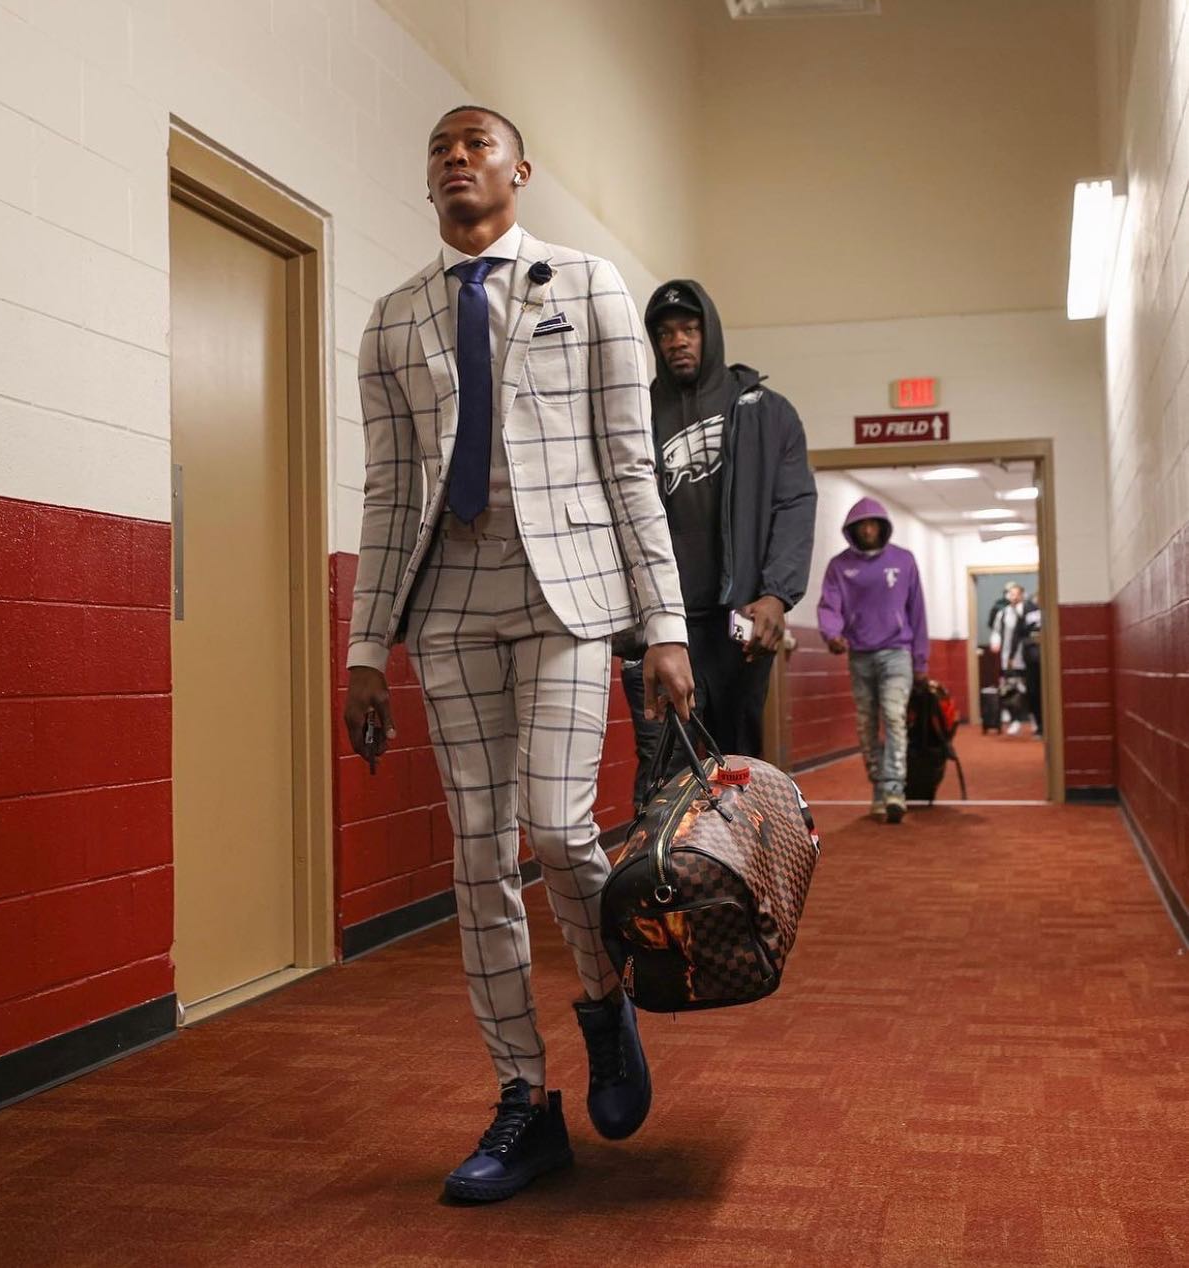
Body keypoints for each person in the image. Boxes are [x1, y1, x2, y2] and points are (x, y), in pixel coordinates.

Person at [343, 105, 695, 1203]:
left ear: (518, 170)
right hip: (445, 604)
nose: (455, 156)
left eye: (476, 143)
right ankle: (520, 1100)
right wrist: (364, 646)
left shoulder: (584, 284)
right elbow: (390, 491)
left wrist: (666, 624)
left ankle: (602, 1000)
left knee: (554, 829)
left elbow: (628, 465)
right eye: (438, 146)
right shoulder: (392, 320)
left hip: (567, 595)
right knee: (477, 858)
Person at [616, 280, 816, 803]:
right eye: (665, 333)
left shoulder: (765, 412)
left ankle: (735, 882)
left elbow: (793, 505)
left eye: (688, 329)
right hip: (659, 629)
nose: (677, 341)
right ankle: (665, 883)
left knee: (736, 772)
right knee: (663, 772)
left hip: (739, 629)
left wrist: (777, 593)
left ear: (710, 333)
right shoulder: (634, 413)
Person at [817, 498, 929, 823]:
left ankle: (895, 789)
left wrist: (921, 662)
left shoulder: (903, 561)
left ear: (882, 526)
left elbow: (917, 612)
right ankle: (879, 788)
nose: (868, 529)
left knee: (893, 717)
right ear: (853, 530)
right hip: (860, 654)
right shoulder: (840, 566)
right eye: (861, 525)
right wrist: (832, 634)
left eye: (873, 523)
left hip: (898, 652)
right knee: (866, 724)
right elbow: (829, 605)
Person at [990, 584, 1041, 735]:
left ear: (1022, 594)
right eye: (1010, 594)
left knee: (1031, 689)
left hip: (1028, 656)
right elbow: (996, 631)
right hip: (1009, 658)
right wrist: (995, 642)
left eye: (1015, 594)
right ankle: (1015, 720)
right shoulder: (1003, 613)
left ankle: (1034, 719)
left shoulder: (1029, 610)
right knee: (1011, 690)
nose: (1012, 597)